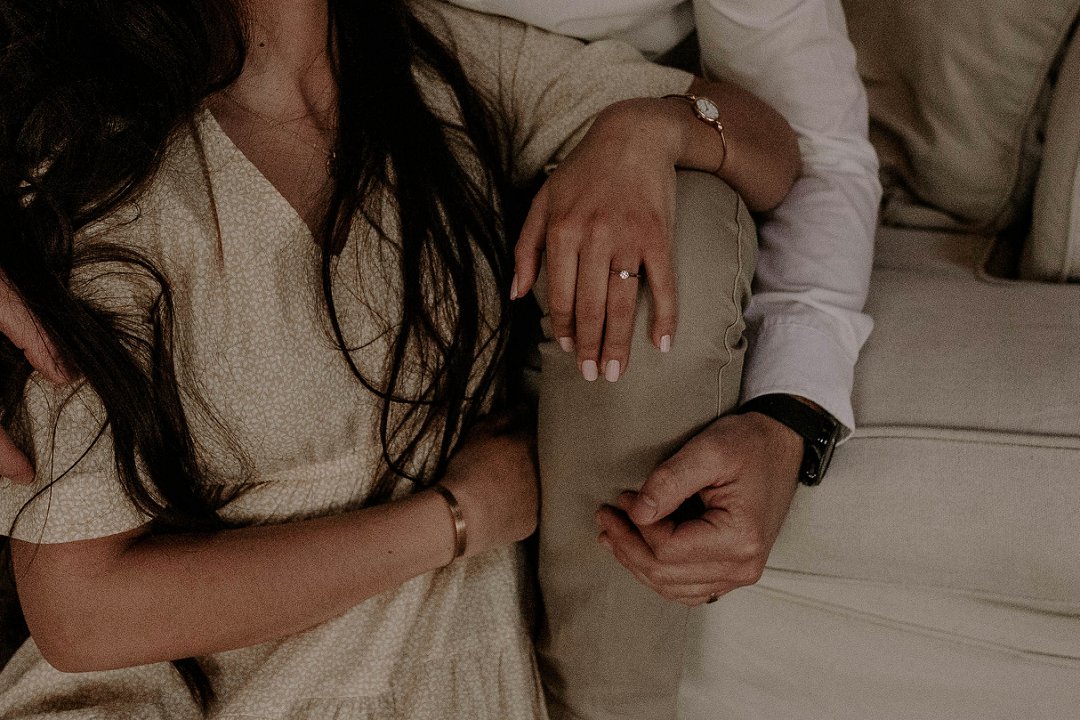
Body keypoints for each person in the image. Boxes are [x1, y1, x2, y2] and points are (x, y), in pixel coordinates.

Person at [0, 1, 799, 718]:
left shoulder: (439, 63)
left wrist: (646, 129)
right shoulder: (99, 150)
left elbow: (773, 151)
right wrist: (457, 518)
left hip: (459, 681)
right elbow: (83, 613)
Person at [446, 1, 881, 719]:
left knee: (655, 297)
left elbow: (811, 148)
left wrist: (790, 414)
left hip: (618, 122)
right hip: (374, 90)